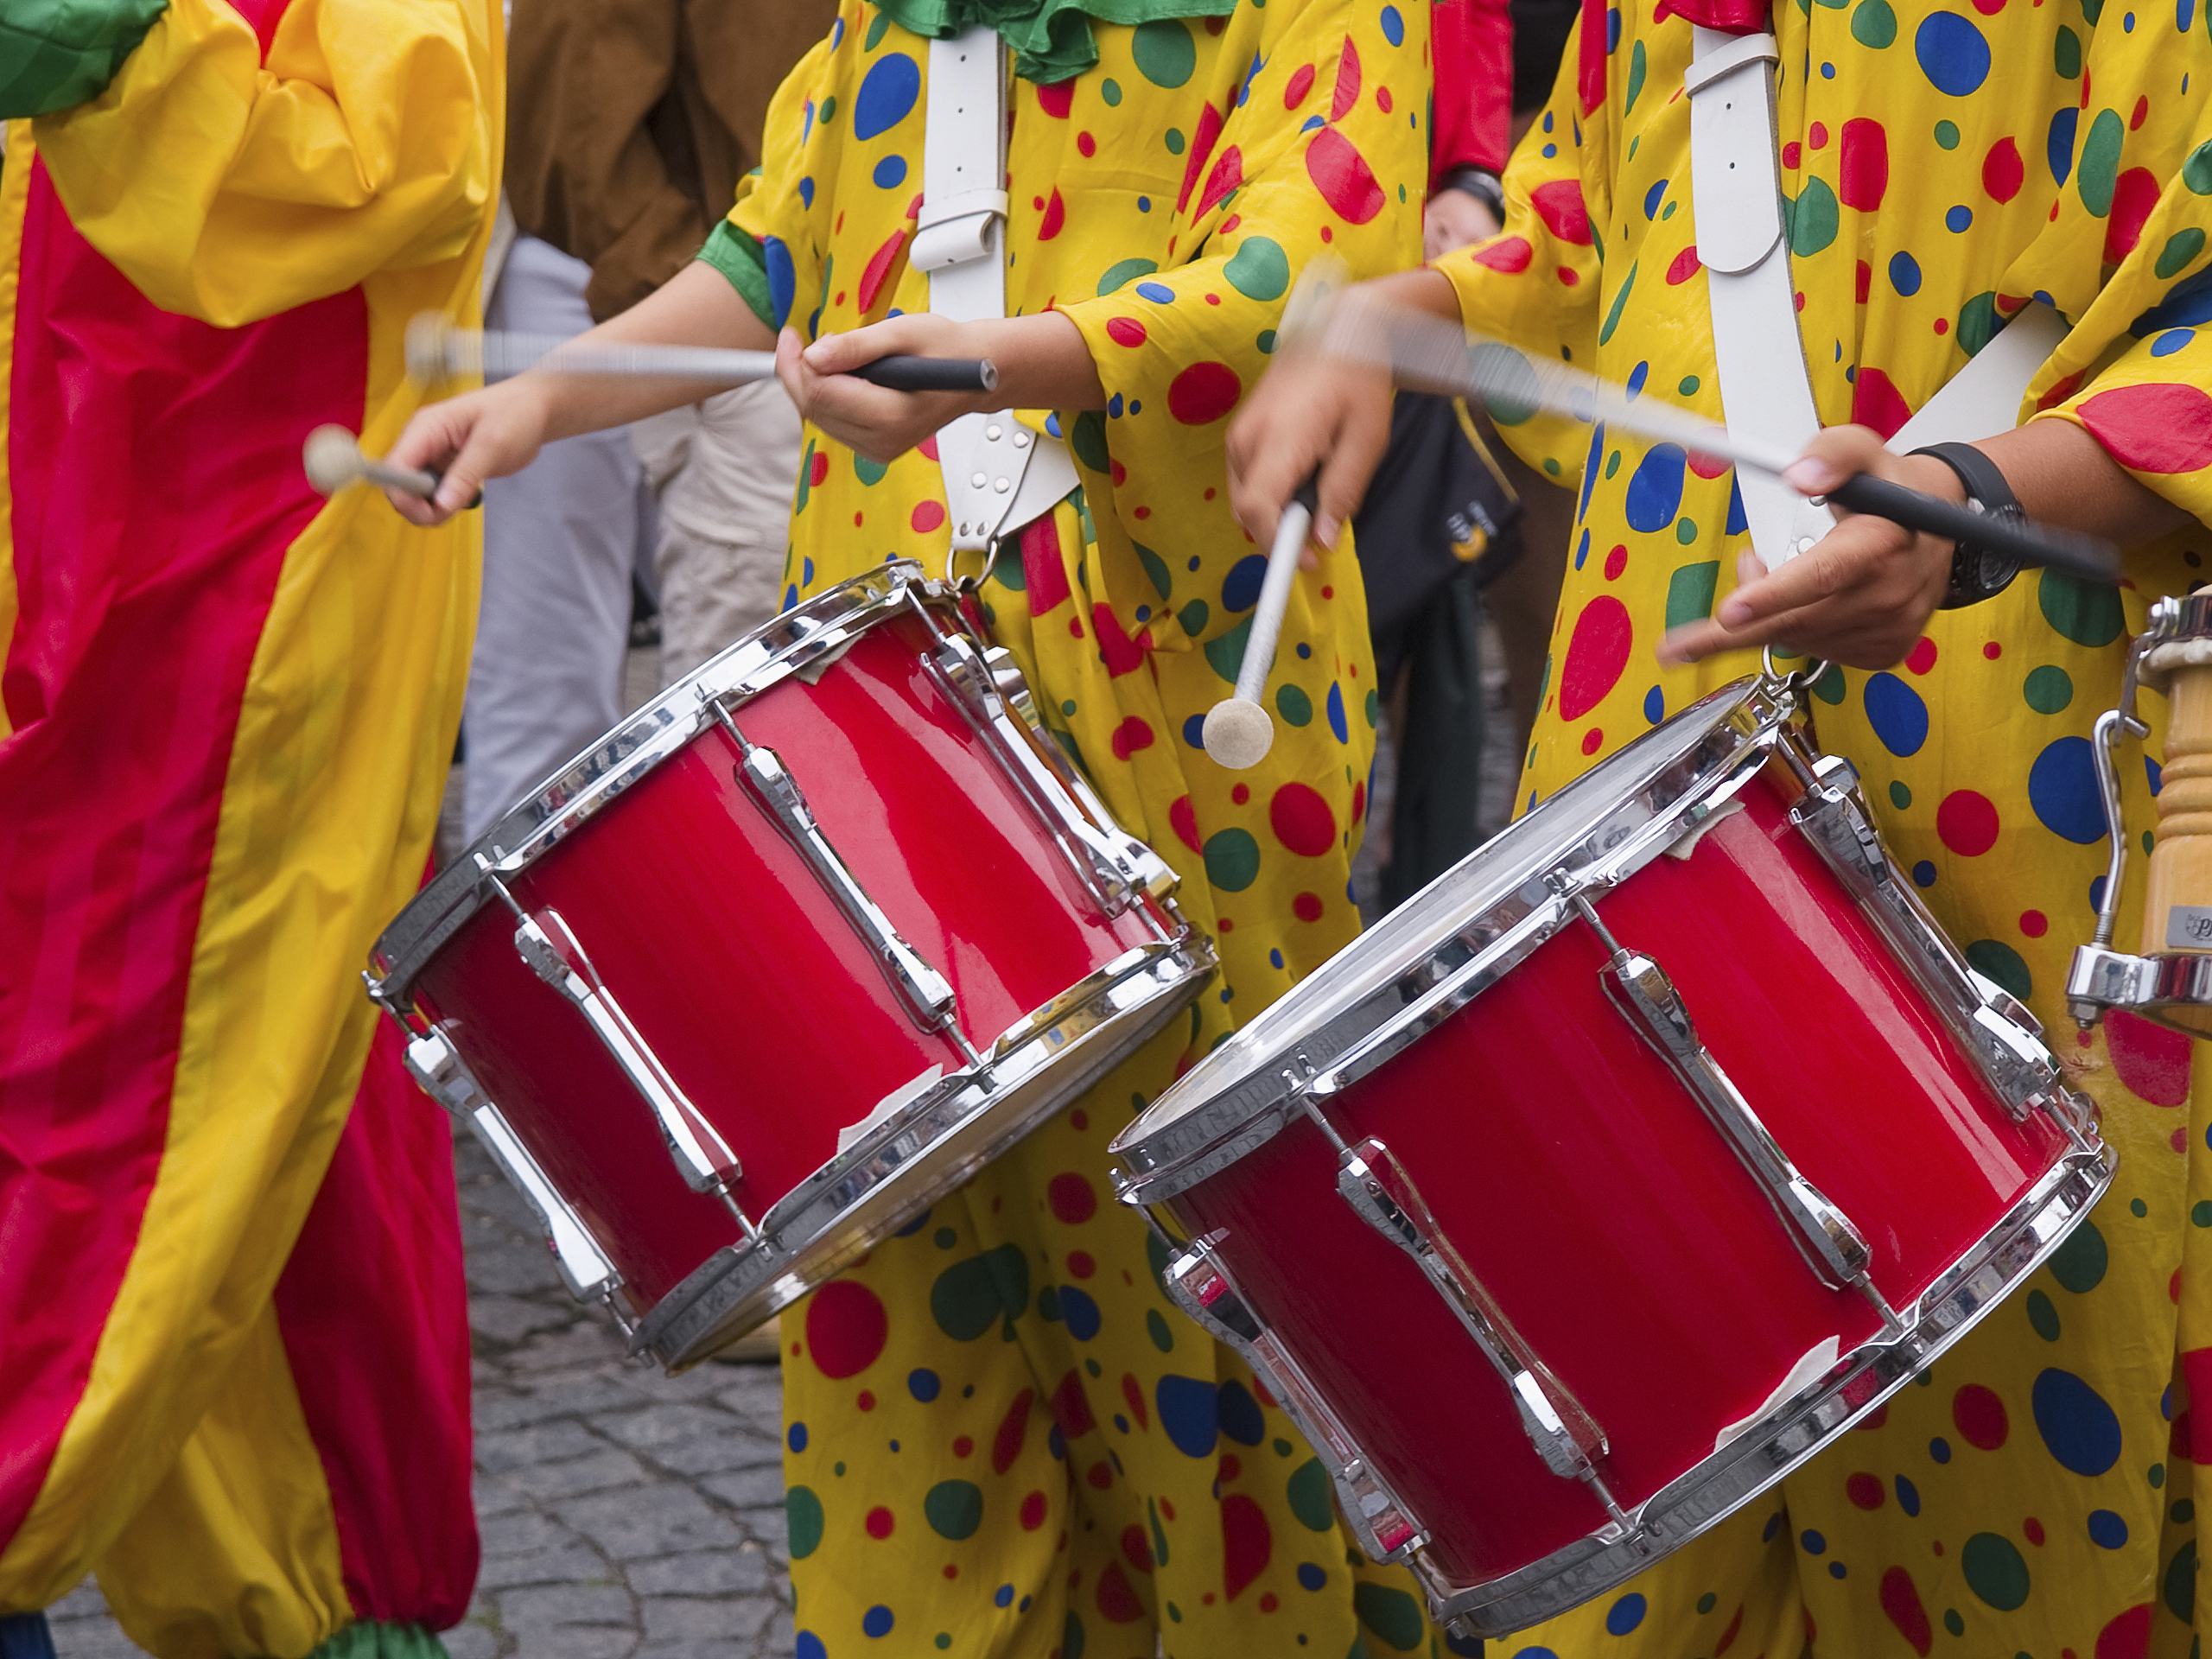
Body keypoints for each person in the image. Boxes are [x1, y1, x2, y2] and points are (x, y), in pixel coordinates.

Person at [383, 3, 1468, 1653]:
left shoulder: (1309, 16)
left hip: (1171, 722)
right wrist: (539, 407)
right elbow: (762, 264)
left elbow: (1278, 280)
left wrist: (982, 369)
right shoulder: (881, 33)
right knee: (897, 1255)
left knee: (1197, 1279)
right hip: (882, 727)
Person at [1227, 0, 2212, 1644]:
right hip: (1646, 771)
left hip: (2012, 785)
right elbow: (1579, 239)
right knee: (1629, 1437)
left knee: (2007, 1492)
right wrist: (1394, 313)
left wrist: (1974, 505)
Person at [0, 1, 497, 1654]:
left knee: (211, 1111)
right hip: (66, 565)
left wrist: (109, 49)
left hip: (251, 612)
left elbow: (391, 157)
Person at [504, 0, 836, 691]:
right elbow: (572, 135)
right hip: (757, 353)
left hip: (903, 337)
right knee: (761, 700)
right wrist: (709, 296)